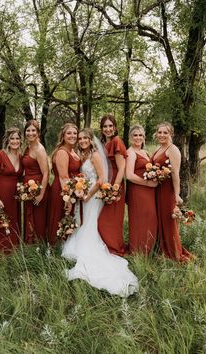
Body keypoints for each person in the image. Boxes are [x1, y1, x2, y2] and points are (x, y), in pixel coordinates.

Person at [62, 128, 138, 297]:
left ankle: (89, 251)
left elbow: (102, 178)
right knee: (83, 222)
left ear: (91, 139)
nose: (82, 140)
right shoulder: (83, 155)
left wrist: (88, 195)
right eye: (80, 138)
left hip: (92, 197)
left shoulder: (95, 155)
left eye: (85, 138)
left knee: (89, 223)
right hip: (84, 194)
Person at [152, 122, 194, 261]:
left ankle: (174, 253)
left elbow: (175, 174)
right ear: (156, 134)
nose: (162, 135)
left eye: (165, 132)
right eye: (160, 132)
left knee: (169, 222)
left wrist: (176, 195)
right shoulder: (159, 148)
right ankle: (162, 250)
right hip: (158, 190)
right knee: (160, 220)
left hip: (168, 191)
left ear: (171, 134)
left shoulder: (173, 149)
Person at [0, 127, 23, 256]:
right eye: (12, 138)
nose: (15, 141)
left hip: (13, 197)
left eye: (17, 138)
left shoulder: (20, 156)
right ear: (7, 140)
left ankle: (10, 251)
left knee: (12, 222)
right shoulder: (0, 155)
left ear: (21, 140)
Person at [98, 113, 127, 256]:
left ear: (115, 127)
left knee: (110, 219)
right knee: (106, 218)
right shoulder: (105, 143)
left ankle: (114, 247)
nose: (108, 129)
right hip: (106, 183)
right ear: (101, 128)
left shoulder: (116, 141)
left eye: (110, 126)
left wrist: (115, 189)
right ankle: (107, 245)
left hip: (116, 183)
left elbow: (122, 167)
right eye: (105, 126)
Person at [126, 125, 157, 255]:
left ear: (144, 137)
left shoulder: (145, 152)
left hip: (148, 191)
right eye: (135, 135)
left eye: (140, 135)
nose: (138, 138)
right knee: (140, 219)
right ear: (130, 138)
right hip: (138, 190)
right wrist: (147, 183)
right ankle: (137, 251)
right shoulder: (130, 152)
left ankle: (148, 249)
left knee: (150, 218)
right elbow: (129, 175)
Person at [47, 123, 81, 246]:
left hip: (70, 190)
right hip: (62, 190)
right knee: (60, 216)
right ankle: (54, 246)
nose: (72, 136)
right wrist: (67, 198)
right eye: (69, 133)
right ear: (63, 135)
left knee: (67, 218)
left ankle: (65, 246)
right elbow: (63, 176)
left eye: (75, 133)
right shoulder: (62, 152)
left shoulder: (73, 151)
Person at [22, 120, 49, 244]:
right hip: (28, 188)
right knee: (29, 216)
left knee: (38, 218)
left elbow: (46, 173)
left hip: (39, 188)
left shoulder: (39, 149)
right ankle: (29, 243)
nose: (30, 133)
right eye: (28, 130)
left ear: (38, 133)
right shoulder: (27, 147)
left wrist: (41, 194)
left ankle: (40, 244)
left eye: (33, 130)